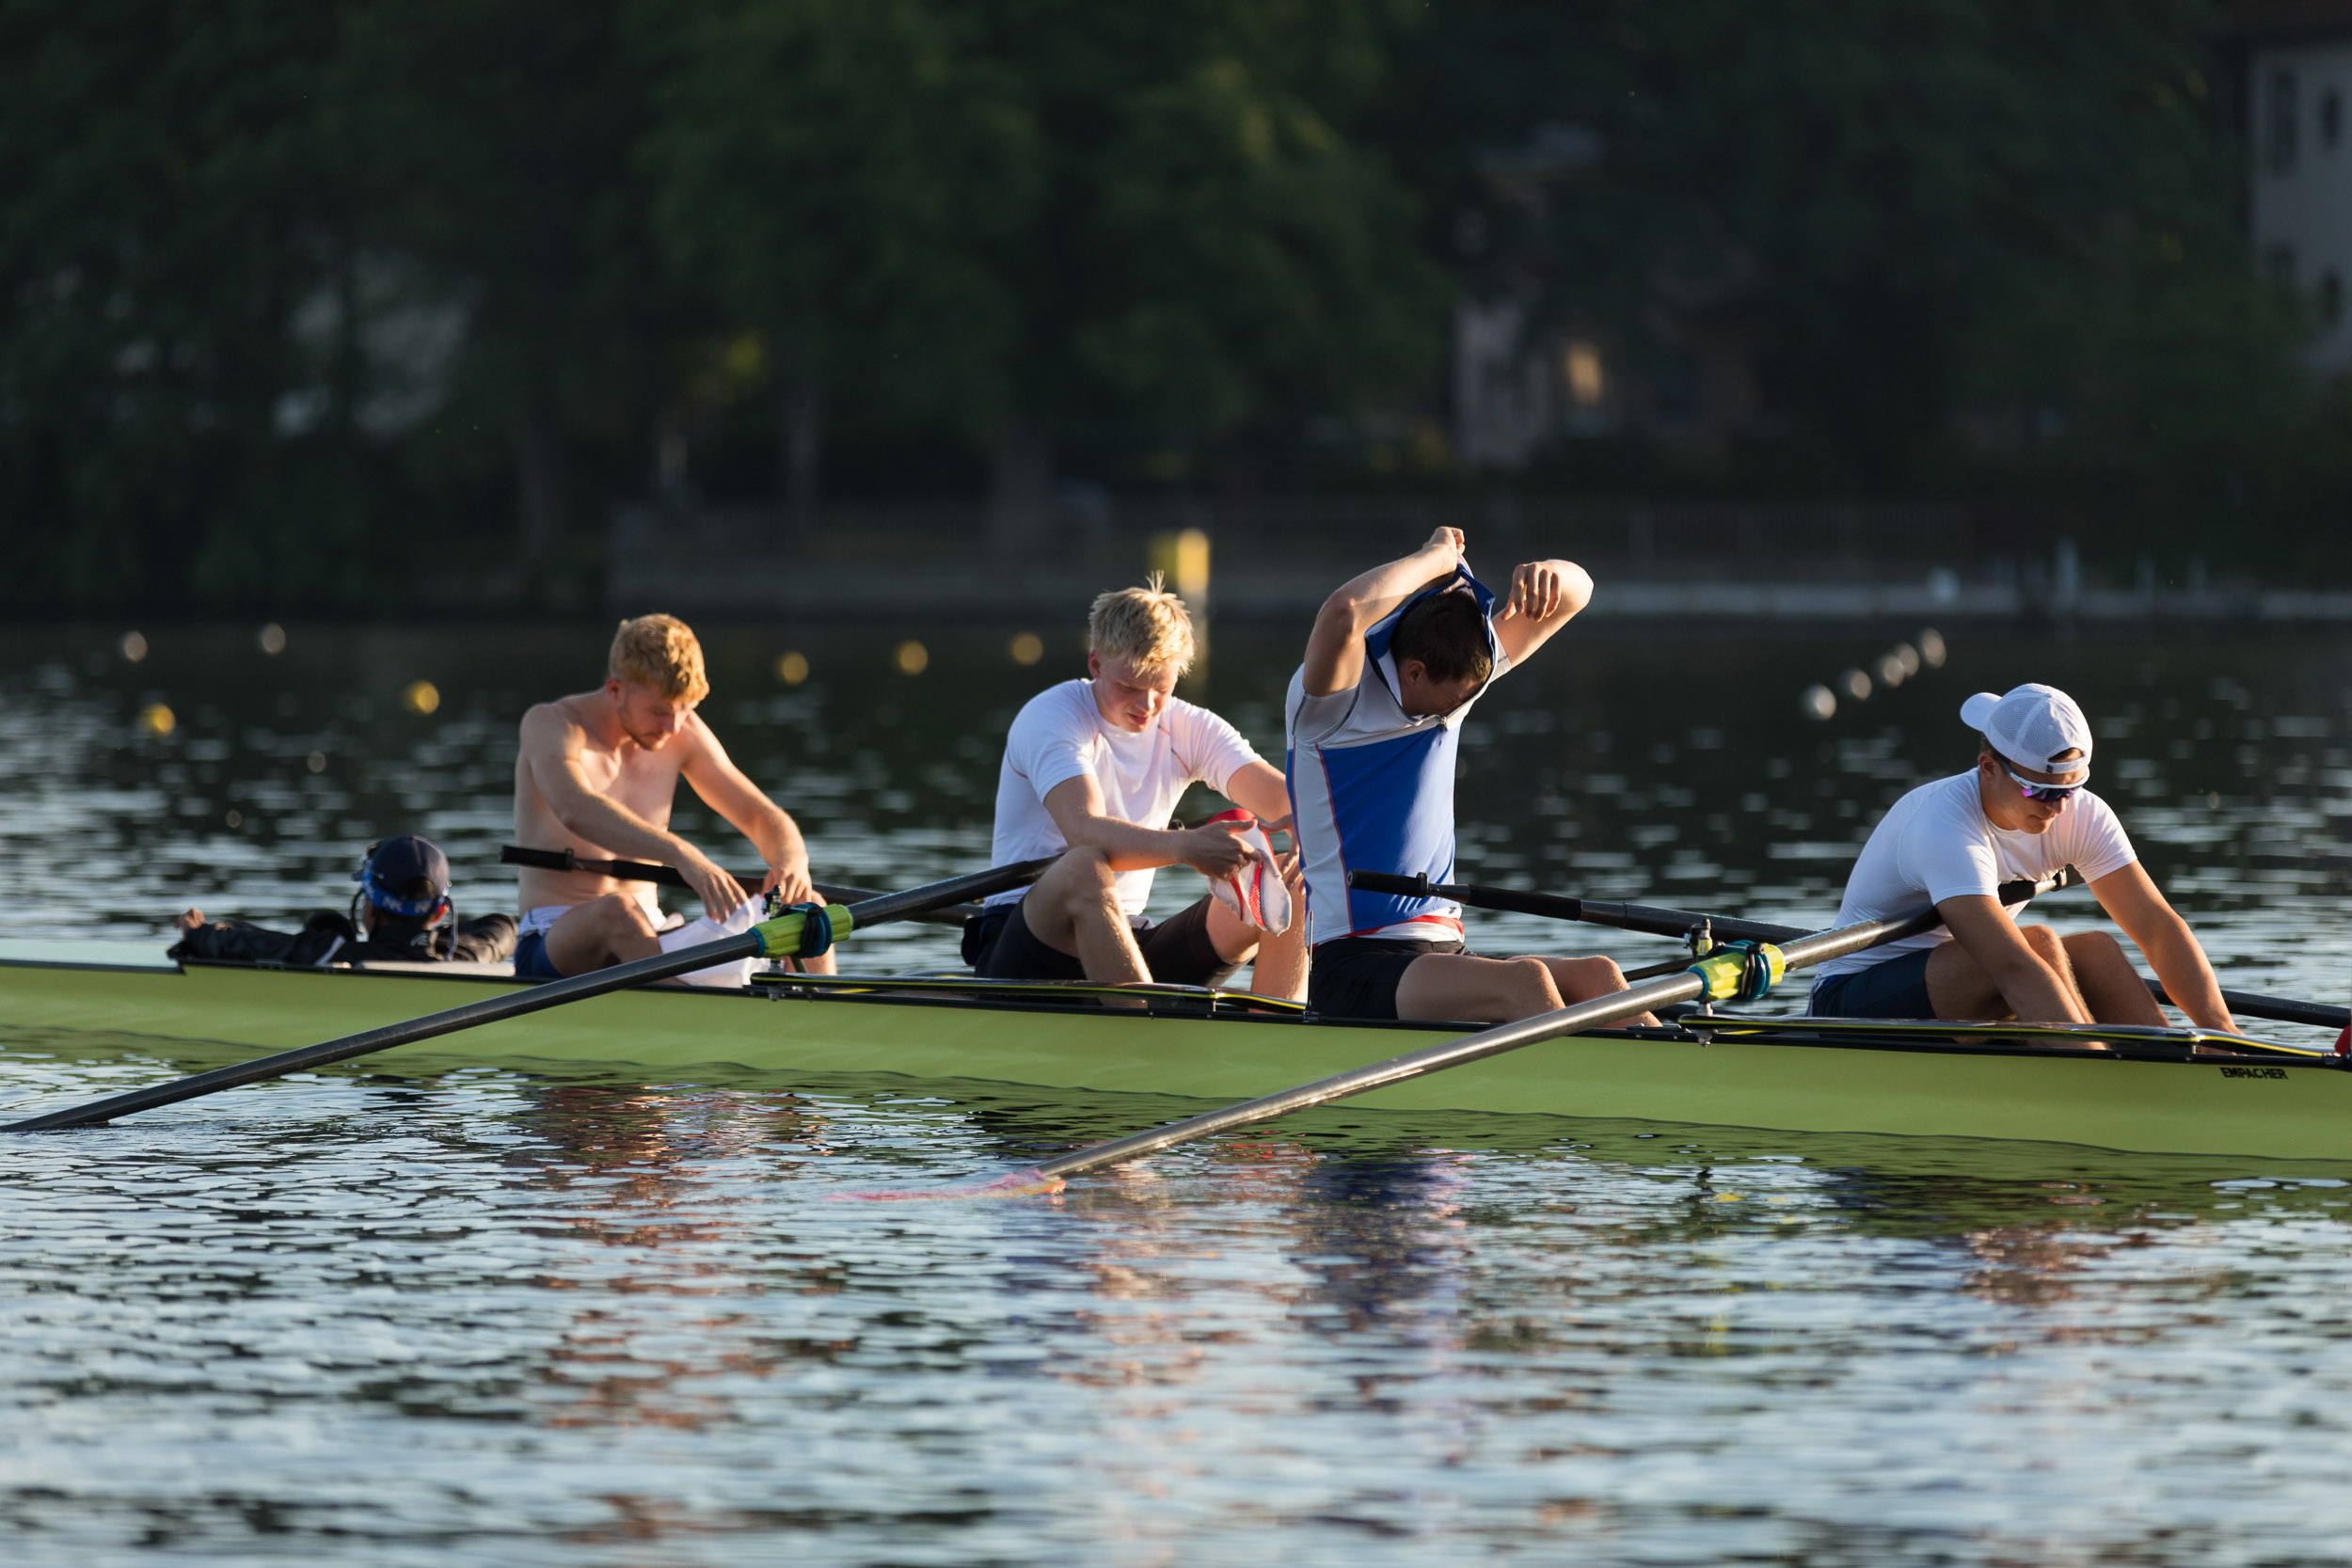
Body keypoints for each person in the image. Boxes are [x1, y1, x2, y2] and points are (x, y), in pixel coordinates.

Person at [1285, 527, 1651, 1024]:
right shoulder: (1331, 709)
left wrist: (1550, 576)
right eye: (1454, 699)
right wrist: (1435, 557)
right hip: (1354, 963)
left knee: (1598, 974)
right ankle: (1593, 1089)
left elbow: (1579, 592)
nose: (1458, 710)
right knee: (1525, 982)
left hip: (1441, 956)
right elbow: (1344, 612)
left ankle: (1688, 1089)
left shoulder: (1455, 674)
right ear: (1413, 671)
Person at [1807, 682, 2238, 1031]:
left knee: (2097, 951)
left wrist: (2223, 1033)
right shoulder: (1943, 825)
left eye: (2071, 789)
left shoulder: (2080, 813)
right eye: (2040, 791)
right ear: (1988, 768)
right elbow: (2012, 966)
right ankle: (2097, 1078)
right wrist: (2091, 1064)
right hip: (1850, 1001)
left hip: (1959, 983)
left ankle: (2178, 1073)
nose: (2059, 807)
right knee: (2038, 946)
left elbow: (2158, 927)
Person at [963, 578, 1307, 996]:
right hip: (1028, 938)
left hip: (1124, 935)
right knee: (1085, 865)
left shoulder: (1190, 728)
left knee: (1292, 875)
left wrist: (1311, 826)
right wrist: (1185, 847)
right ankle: (1143, 1028)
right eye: (1129, 687)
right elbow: (1083, 829)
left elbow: (1284, 800)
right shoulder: (1053, 717)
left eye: (1160, 688)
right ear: (1096, 665)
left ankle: (1279, 1033)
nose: (1146, 706)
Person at [512, 613, 830, 980]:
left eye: (685, 710)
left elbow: (761, 815)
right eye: (660, 711)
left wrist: (792, 863)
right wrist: (681, 853)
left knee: (806, 910)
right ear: (615, 690)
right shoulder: (551, 724)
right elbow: (575, 809)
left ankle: (828, 1018)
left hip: (651, 934)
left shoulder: (680, 732)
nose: (673, 727)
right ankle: (692, 1018)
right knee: (618, 912)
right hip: (552, 938)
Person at [175, 834, 516, 966]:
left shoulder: (334, 952)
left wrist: (198, 932)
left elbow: (257, 944)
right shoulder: (467, 957)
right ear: (440, 912)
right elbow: (503, 927)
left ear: (368, 908)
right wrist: (434, 941)